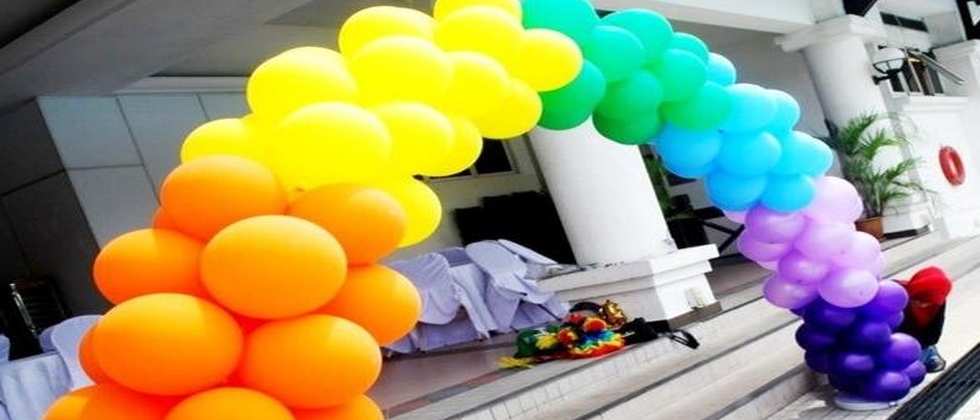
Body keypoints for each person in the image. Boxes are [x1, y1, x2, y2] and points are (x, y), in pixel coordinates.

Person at [896, 266, 952, 373]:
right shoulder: (896, 294)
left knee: (910, 369)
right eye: (917, 301)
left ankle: (930, 353)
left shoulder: (937, 304)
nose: (922, 305)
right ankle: (930, 354)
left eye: (927, 303)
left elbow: (933, 335)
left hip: (918, 341)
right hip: (896, 336)